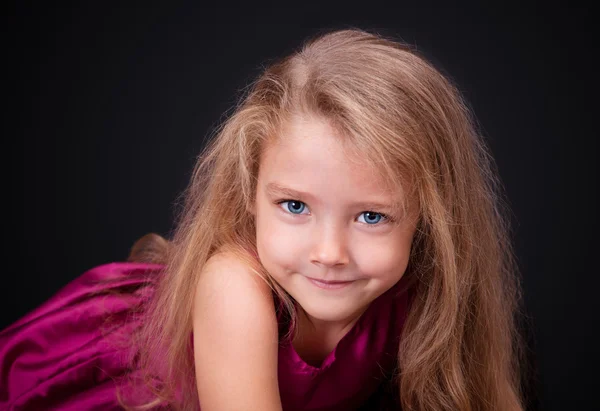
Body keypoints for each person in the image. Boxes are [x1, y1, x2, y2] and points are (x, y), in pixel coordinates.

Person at [0, 28, 528, 410]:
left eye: (370, 216)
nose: (329, 252)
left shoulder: (426, 291)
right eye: (295, 206)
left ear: (431, 220)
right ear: (249, 192)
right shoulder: (234, 285)